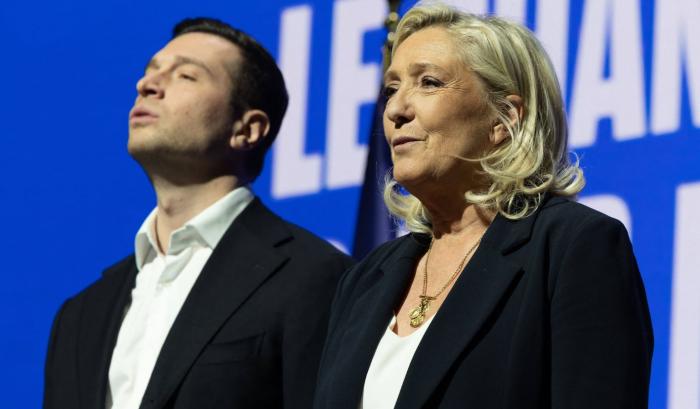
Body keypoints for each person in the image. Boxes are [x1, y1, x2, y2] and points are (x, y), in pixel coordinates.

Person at [313, 4, 653, 409]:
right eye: (392, 88)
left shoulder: (572, 248)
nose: (395, 110)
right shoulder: (364, 279)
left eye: (428, 82)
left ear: (503, 119)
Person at [44, 18, 354, 409]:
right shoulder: (80, 316)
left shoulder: (313, 277)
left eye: (186, 75)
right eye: (151, 71)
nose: (146, 85)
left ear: (247, 129)